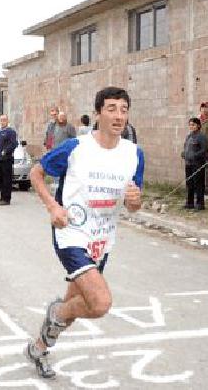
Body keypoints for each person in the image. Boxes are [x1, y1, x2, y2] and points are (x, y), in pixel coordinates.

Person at [24, 87, 144, 379]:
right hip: (71, 234)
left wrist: (134, 200)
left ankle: (39, 347)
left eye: (124, 109)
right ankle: (56, 314)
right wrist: (53, 207)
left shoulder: (134, 154)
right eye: (112, 108)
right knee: (99, 303)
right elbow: (36, 173)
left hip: (102, 240)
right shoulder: (76, 147)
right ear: (99, 113)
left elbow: (134, 206)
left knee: (76, 304)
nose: (119, 115)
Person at [181, 117, 208, 210]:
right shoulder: (189, 136)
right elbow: (186, 147)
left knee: (198, 184)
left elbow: (204, 150)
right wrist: (184, 153)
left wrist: (194, 155)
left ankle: (200, 204)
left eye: (193, 124)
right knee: (189, 183)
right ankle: (189, 203)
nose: (191, 126)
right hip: (188, 164)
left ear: (198, 125)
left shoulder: (201, 136)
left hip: (198, 164)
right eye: (190, 125)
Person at [0, 114, 19, 205]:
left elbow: (14, 144)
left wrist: (6, 151)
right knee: (0, 179)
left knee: (7, 179)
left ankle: (7, 199)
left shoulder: (11, 132)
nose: (2, 122)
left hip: (6, 159)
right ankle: (1, 197)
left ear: (7, 121)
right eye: (1, 120)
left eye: (4, 120)